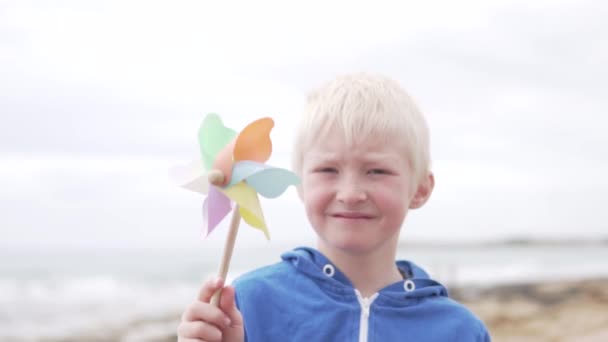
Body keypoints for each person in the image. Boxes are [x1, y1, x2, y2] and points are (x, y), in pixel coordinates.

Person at [177, 73, 491, 341]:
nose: (351, 193)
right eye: (328, 170)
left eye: (376, 171)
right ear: (299, 183)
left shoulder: (460, 331)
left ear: (420, 189)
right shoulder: (245, 305)